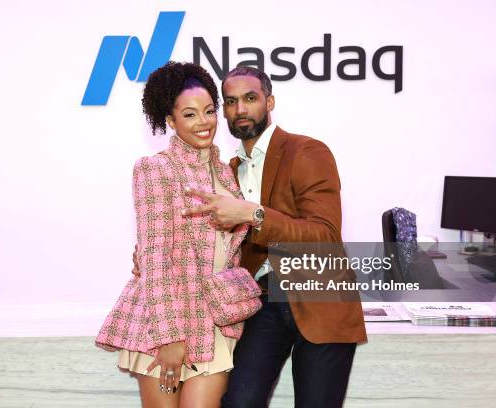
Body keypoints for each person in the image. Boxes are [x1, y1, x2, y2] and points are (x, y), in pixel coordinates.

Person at [182, 66, 368, 408]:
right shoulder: (228, 170)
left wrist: (253, 214)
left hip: (321, 296)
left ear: (269, 101)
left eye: (250, 99)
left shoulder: (307, 151)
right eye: (231, 101)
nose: (240, 109)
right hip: (263, 302)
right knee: (239, 402)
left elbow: (324, 235)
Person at [95, 61, 257, 408]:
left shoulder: (228, 175)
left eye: (209, 111)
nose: (204, 122)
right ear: (170, 121)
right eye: (190, 114)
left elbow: (227, 251)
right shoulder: (156, 169)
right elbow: (155, 259)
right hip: (166, 321)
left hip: (213, 323)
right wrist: (170, 338)